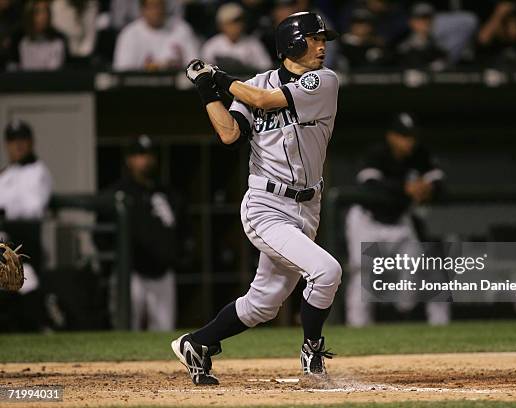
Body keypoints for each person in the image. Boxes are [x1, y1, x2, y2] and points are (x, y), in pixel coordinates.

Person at [172, 11, 341, 385]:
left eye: (322, 39)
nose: (321, 46)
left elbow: (266, 101)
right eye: (314, 39)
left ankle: (196, 343)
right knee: (327, 271)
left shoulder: (324, 81)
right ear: (292, 43)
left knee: (263, 303)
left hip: (306, 207)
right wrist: (206, 90)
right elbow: (231, 134)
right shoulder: (252, 84)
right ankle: (312, 351)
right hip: (266, 205)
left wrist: (219, 78)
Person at [344, 113, 450, 327]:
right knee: (363, 274)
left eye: (411, 136)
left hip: (399, 222)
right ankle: (357, 327)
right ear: (392, 136)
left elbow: (438, 179)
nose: (408, 141)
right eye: (403, 136)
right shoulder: (377, 154)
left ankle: (406, 309)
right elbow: (369, 184)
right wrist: (404, 188)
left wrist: (427, 188)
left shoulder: (419, 154)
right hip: (368, 221)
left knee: (418, 266)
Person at [100, 135, 191, 331]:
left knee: (164, 331)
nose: (145, 160)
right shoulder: (118, 193)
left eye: (149, 155)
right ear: (129, 160)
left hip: (163, 273)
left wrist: (177, 256)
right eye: (139, 155)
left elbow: (183, 230)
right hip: (131, 274)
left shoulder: (167, 193)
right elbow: (101, 234)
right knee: (125, 328)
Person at [0, 120, 53, 330]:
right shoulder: (5, 174)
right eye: (13, 140)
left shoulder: (38, 171)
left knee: (27, 285)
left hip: (23, 242)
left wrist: (5, 208)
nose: (18, 145)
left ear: (31, 142)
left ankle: (43, 327)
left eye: (22, 139)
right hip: (4, 240)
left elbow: (34, 208)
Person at [112, 0, 199, 71]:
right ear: (142, 10)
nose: (157, 11)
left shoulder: (181, 29)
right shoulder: (129, 34)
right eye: (152, 7)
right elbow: (123, 71)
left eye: (160, 6)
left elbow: (196, 66)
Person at [201, 2, 272, 72]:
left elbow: (266, 68)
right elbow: (203, 71)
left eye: (238, 22)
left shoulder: (253, 43)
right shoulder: (212, 45)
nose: (235, 26)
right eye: (231, 23)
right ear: (221, 25)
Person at [7, 0, 68, 71]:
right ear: (29, 15)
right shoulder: (19, 39)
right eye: (37, 12)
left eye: (45, 12)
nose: (43, 17)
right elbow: (13, 66)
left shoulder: (59, 39)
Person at [393, 2, 447, 70]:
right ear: (411, 22)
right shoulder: (400, 46)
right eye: (421, 18)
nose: (426, 22)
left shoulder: (439, 46)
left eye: (429, 18)